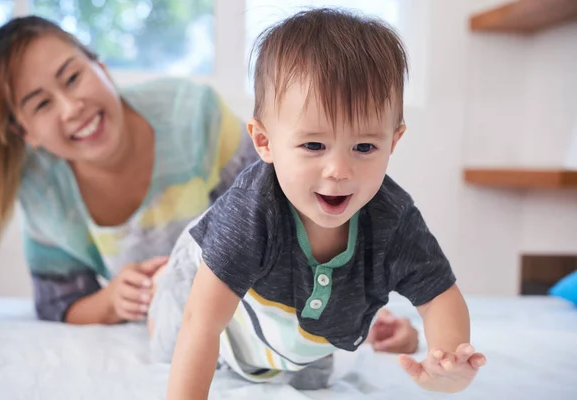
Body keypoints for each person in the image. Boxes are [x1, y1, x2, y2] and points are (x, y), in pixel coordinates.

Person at [0, 14, 417, 353]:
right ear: (24, 133)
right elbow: (59, 303)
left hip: (252, 307)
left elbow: (296, 210)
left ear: (102, 67)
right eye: (40, 105)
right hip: (167, 328)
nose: (71, 107)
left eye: (73, 77)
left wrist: (357, 308)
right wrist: (111, 301)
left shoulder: (191, 116)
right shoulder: (42, 190)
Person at [149, 8, 487, 398]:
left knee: (310, 374)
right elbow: (201, 322)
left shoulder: (393, 219)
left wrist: (447, 359)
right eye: (313, 145)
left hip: (298, 324)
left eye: (364, 146)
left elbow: (439, 296)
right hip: (208, 298)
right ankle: (158, 289)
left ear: (393, 142)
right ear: (264, 142)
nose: (339, 170)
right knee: (171, 339)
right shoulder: (252, 210)